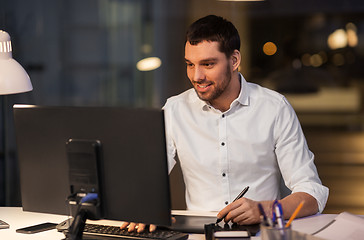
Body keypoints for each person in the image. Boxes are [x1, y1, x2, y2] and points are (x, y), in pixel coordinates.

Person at [122, 14, 329, 232]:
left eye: (208, 64)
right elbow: (146, 177)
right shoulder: (175, 109)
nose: (197, 76)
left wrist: (264, 209)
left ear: (234, 60)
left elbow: (312, 193)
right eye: (190, 64)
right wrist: (143, 209)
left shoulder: (274, 108)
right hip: (198, 235)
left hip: (261, 234)